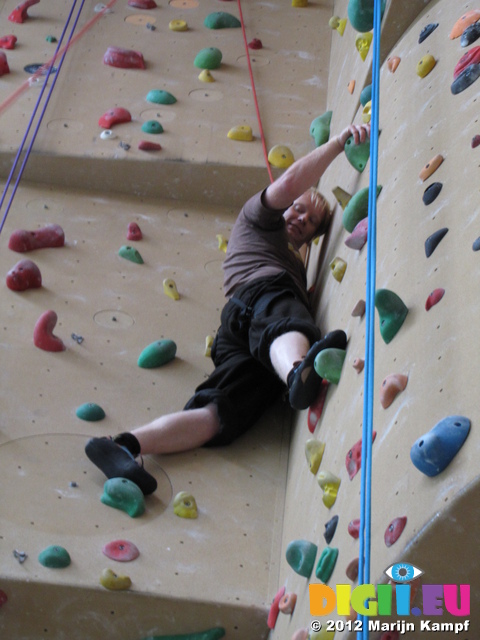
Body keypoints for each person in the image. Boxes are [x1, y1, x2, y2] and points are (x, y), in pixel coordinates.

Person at [85, 123, 370, 495]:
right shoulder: (258, 219)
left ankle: (126, 445)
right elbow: (287, 186)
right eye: (298, 210)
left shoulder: (293, 265)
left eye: (312, 221)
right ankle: (299, 370)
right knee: (282, 315)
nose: (301, 219)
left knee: (221, 413)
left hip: (238, 335)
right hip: (257, 300)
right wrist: (336, 144)